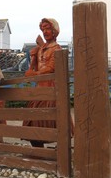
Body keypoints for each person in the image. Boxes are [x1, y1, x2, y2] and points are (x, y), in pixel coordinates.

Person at [23, 18, 74, 147]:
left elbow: (51, 68)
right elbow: (34, 69)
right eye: (43, 29)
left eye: (48, 29)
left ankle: (61, 146)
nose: (45, 32)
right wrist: (33, 57)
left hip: (51, 87)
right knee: (34, 117)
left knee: (53, 116)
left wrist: (35, 74)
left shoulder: (56, 48)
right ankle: (37, 147)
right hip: (40, 87)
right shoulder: (41, 48)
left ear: (54, 31)